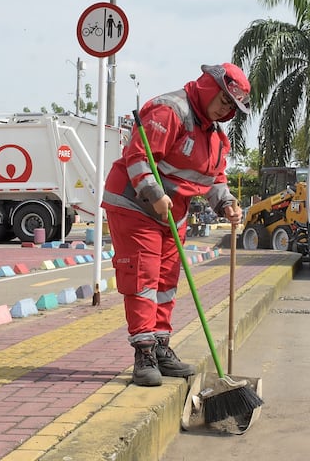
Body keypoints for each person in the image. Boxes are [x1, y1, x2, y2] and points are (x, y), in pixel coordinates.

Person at [101, 63, 248, 386]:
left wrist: (227, 204)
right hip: (135, 205)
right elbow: (138, 157)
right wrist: (153, 193)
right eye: (224, 101)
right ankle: (144, 352)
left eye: (231, 107)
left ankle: (161, 345)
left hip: (173, 212)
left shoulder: (216, 138)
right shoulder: (170, 111)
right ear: (211, 88)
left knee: (166, 281)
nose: (226, 110)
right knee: (143, 276)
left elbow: (214, 180)